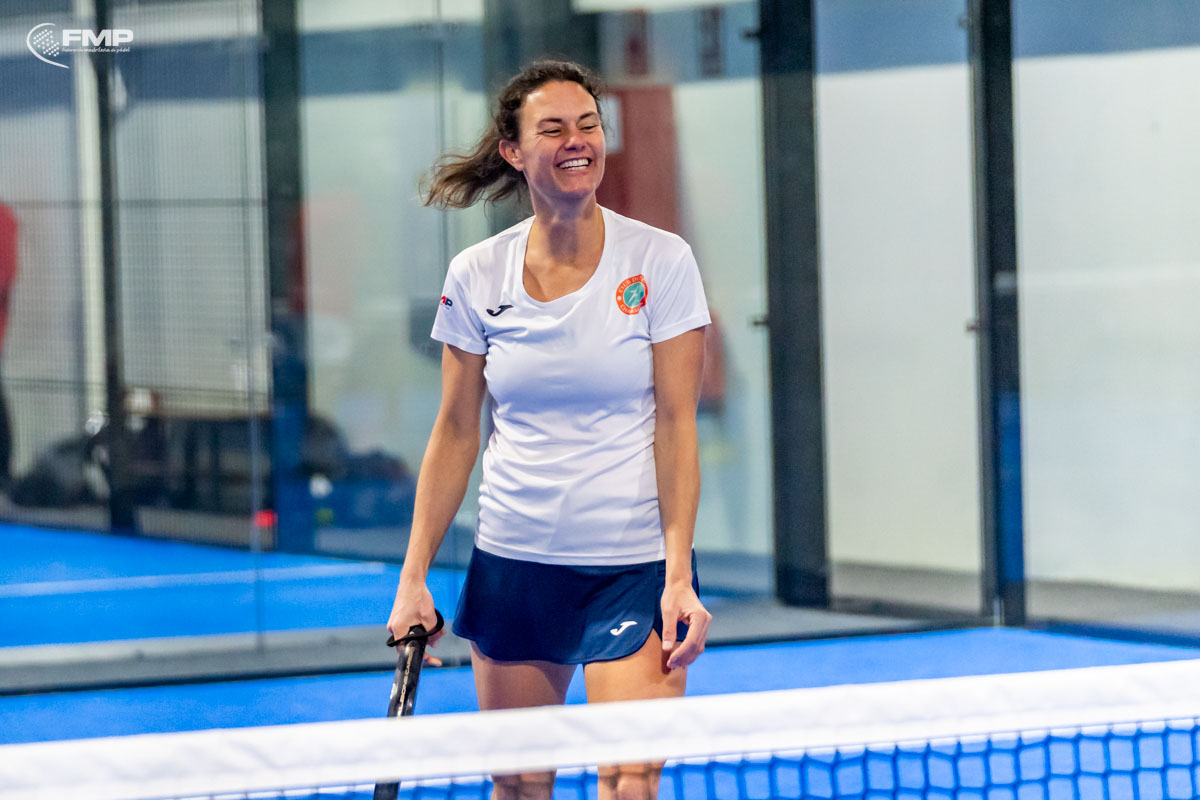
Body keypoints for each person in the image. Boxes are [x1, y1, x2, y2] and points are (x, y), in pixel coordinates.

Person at [387, 58, 712, 800]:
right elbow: (456, 430)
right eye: (554, 128)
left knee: (630, 781)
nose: (577, 141)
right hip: (516, 565)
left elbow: (676, 424)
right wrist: (412, 579)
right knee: (520, 785)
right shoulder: (477, 274)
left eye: (589, 125)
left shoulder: (661, 261)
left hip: (632, 570)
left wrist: (678, 576)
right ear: (513, 150)